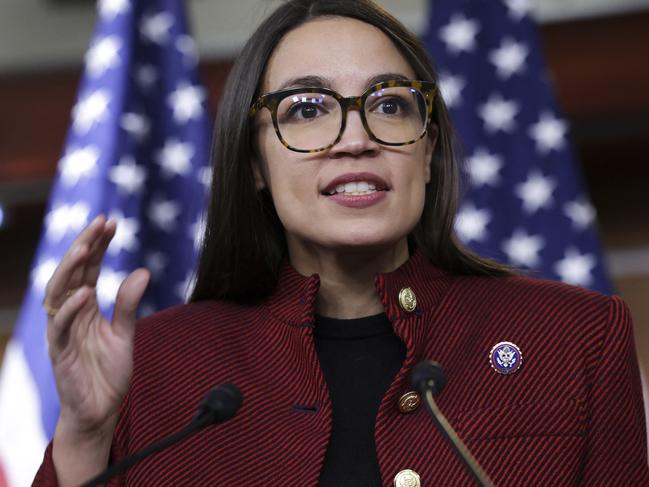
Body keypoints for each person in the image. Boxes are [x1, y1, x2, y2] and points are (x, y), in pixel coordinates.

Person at [35, 0, 649, 485]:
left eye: (389, 104)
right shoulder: (157, 364)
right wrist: (87, 436)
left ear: (428, 151)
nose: (355, 138)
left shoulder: (576, 338)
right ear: (253, 162)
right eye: (306, 109)